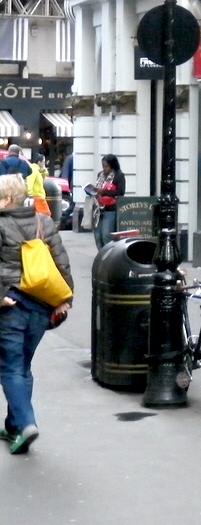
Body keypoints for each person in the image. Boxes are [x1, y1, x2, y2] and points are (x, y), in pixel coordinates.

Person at [0, 174, 72, 454]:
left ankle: (27, 423)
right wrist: (65, 298)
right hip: (42, 306)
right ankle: (15, 427)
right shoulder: (43, 220)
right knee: (22, 366)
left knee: (10, 367)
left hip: (11, 306)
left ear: (7, 199)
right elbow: (60, 260)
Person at [91, 155, 126, 249]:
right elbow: (97, 189)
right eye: (103, 166)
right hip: (98, 209)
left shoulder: (119, 176)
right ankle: (101, 257)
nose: (104, 169)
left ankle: (108, 257)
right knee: (97, 236)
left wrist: (104, 192)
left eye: (106, 166)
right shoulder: (100, 175)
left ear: (112, 166)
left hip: (110, 209)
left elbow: (120, 192)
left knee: (106, 235)